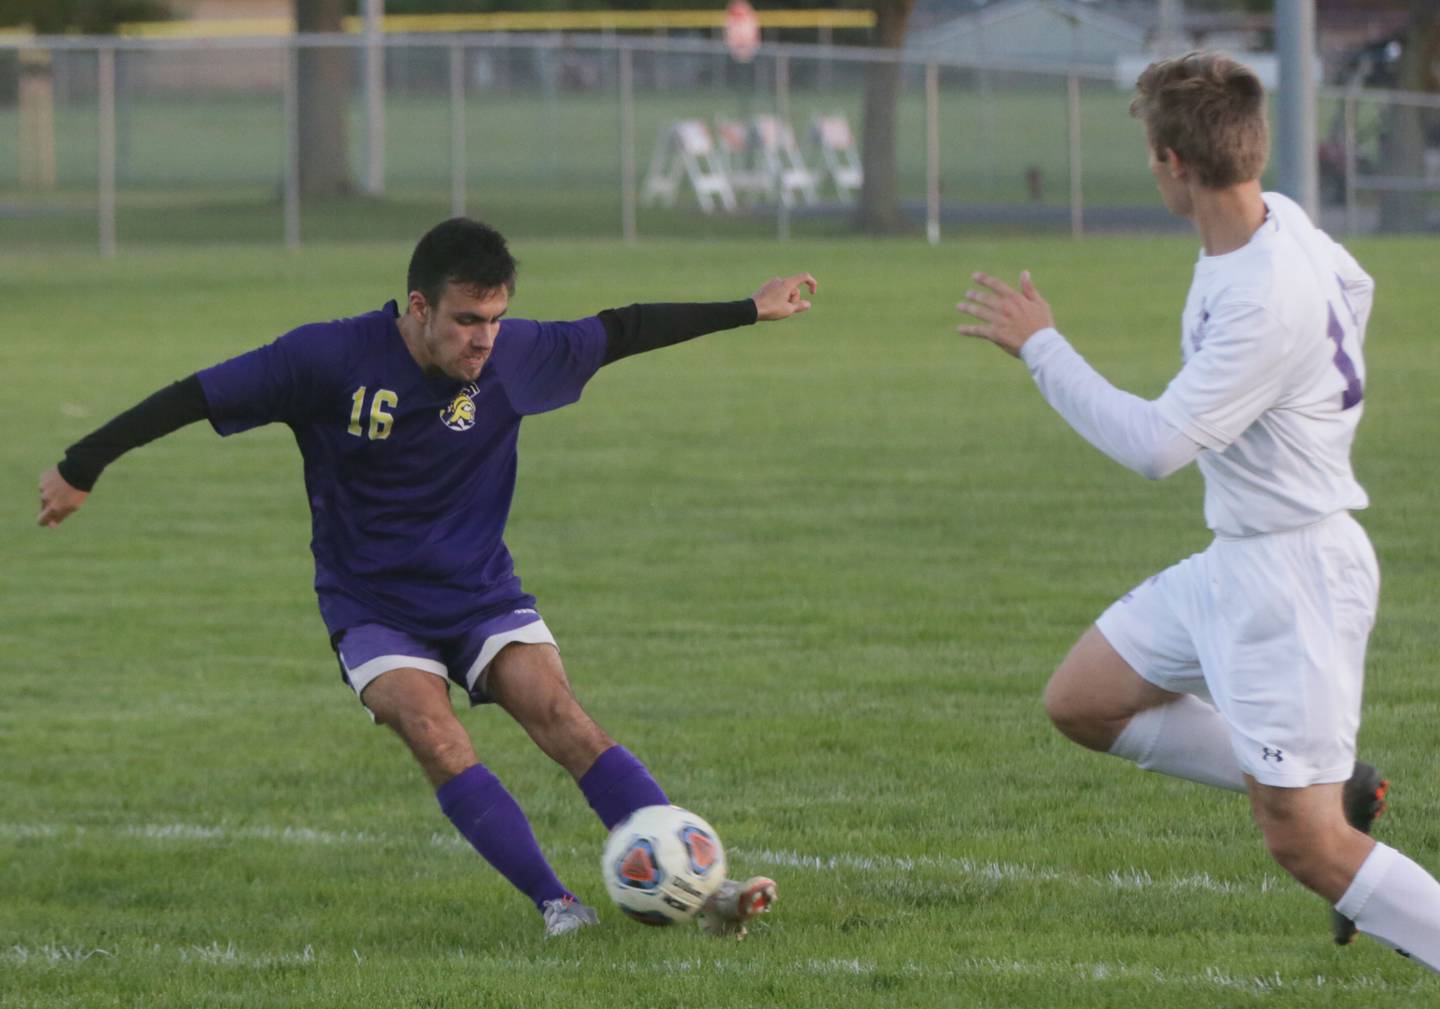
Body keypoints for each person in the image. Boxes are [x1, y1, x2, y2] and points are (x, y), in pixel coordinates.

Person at [37, 217, 817, 939]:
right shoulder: (327, 358)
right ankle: (559, 905)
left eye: (496, 318)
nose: (484, 340)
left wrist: (749, 308)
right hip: (372, 604)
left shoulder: (512, 355)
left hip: (478, 590)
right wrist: (82, 464)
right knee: (434, 731)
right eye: (467, 321)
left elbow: (623, 329)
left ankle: (704, 890)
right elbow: (195, 394)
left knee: (563, 719)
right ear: (418, 307)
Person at [955, 52, 1440, 970]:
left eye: (1150, 151)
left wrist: (1043, 347)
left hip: (1293, 578)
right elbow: (1359, 287)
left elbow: (1154, 446)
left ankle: (1337, 812)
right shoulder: (1280, 222)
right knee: (1084, 700)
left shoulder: (1262, 297)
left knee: (1309, 846)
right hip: (1243, 556)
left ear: (1175, 163)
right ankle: (1343, 784)